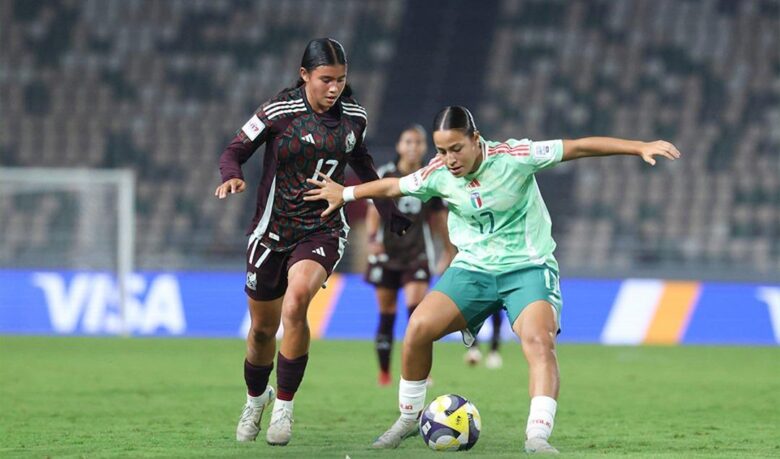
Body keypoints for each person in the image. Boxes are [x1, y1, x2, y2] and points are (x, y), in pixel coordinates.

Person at [304, 106, 680, 453]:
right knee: (418, 327)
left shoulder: (515, 158)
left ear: (476, 139)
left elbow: (579, 147)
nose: (448, 159)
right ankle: (407, 418)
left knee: (539, 341)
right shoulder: (438, 172)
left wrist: (638, 146)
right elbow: (393, 186)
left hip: (527, 268)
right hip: (473, 270)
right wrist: (347, 192)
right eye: (441, 150)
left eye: (456, 149)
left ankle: (537, 435)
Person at [215, 38, 409, 447]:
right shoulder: (278, 112)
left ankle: (284, 406)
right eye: (325, 79)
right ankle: (256, 399)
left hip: (321, 229)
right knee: (261, 333)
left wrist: (389, 212)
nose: (334, 88)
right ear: (305, 76)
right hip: (270, 232)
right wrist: (231, 174)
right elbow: (235, 149)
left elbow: (363, 165)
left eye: (340, 80)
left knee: (298, 299)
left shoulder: (355, 118)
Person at [365, 125, 456, 386]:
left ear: (425, 147)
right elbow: (373, 211)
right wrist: (373, 240)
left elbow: (439, 218)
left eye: (418, 142)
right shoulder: (386, 174)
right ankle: (384, 372)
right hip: (387, 253)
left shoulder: (432, 178)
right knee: (387, 313)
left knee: (416, 313)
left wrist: (448, 252)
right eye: (408, 142)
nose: (413, 147)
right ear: (399, 146)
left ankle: (419, 373)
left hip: (418, 254)